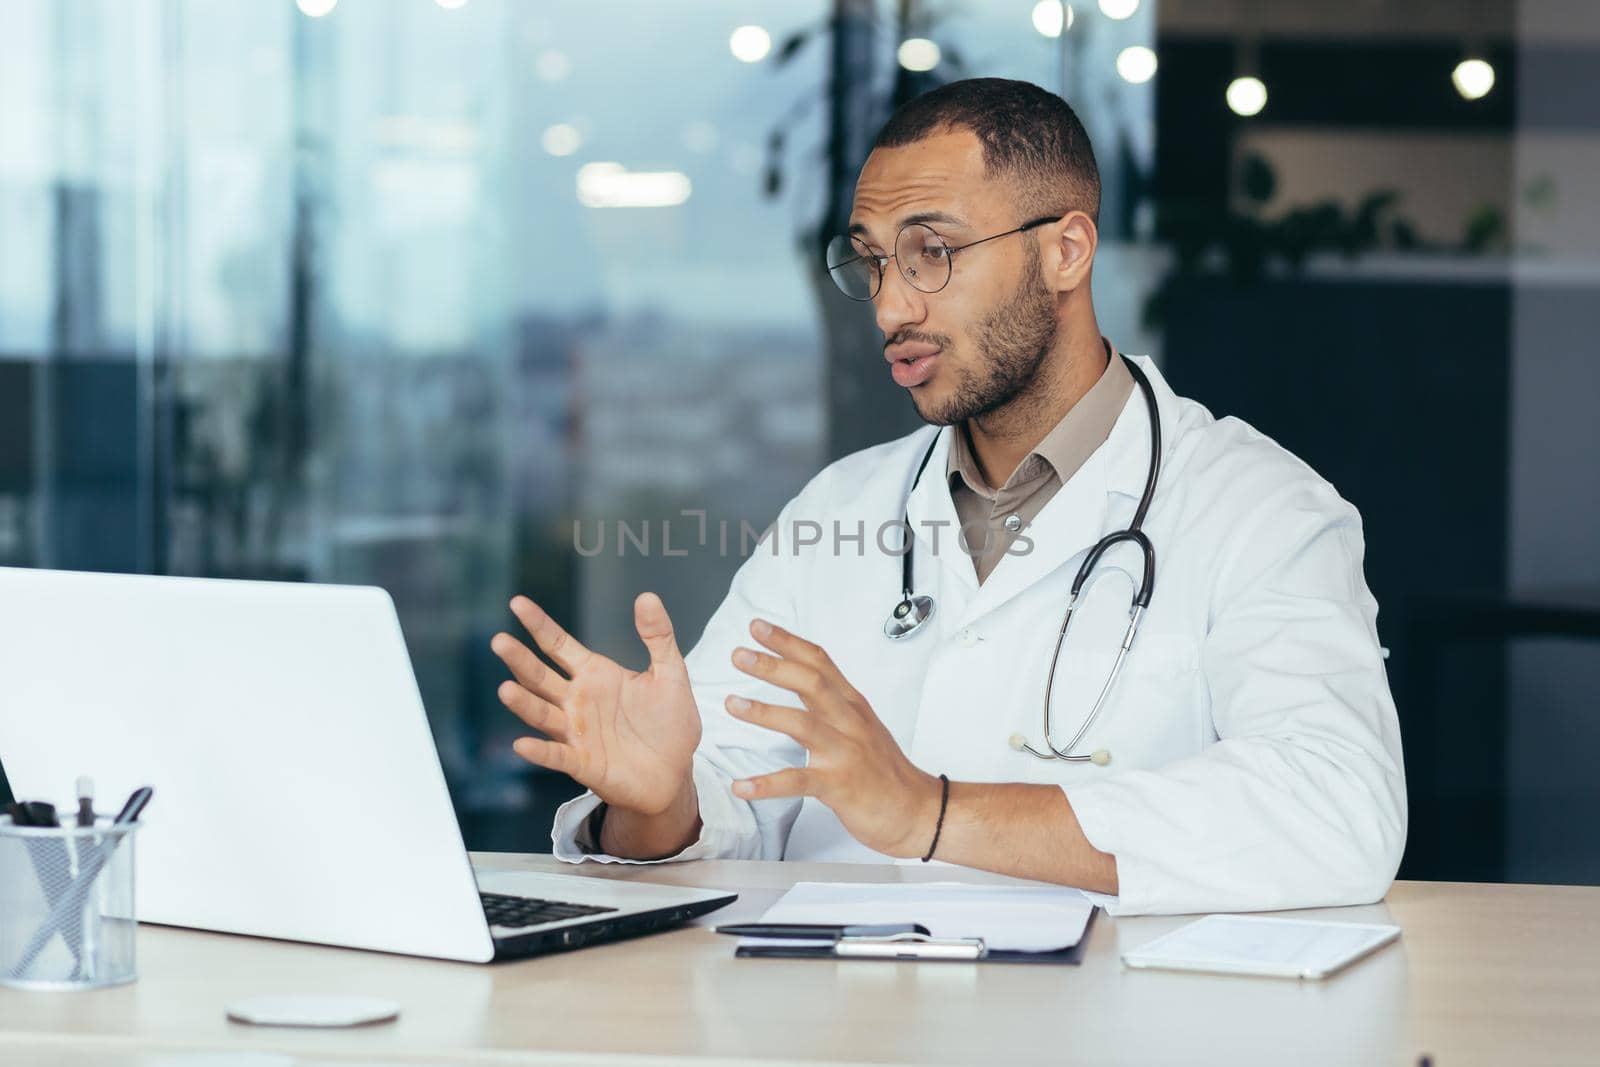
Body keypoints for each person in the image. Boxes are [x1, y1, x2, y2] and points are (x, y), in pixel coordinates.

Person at [489, 78, 1406, 915]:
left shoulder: (1258, 510)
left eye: (932, 252)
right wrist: (661, 803)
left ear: (1067, 250)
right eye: (873, 263)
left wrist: (932, 813)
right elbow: (733, 792)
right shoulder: (838, 511)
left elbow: (1335, 807)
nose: (891, 307)